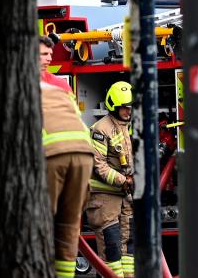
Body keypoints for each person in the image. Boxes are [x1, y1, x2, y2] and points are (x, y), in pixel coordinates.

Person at [40, 37, 95, 278]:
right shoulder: (59, 87)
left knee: (39, 223)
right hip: (82, 156)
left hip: (52, 157)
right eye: (43, 54)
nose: (49, 58)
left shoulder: (17, 80)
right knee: (67, 227)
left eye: (49, 54)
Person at [86, 81, 135, 278]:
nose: (127, 111)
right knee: (111, 248)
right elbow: (98, 166)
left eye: (129, 107)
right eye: (123, 108)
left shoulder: (124, 127)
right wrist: (124, 180)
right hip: (104, 201)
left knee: (128, 248)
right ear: (113, 106)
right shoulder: (100, 129)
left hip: (124, 200)